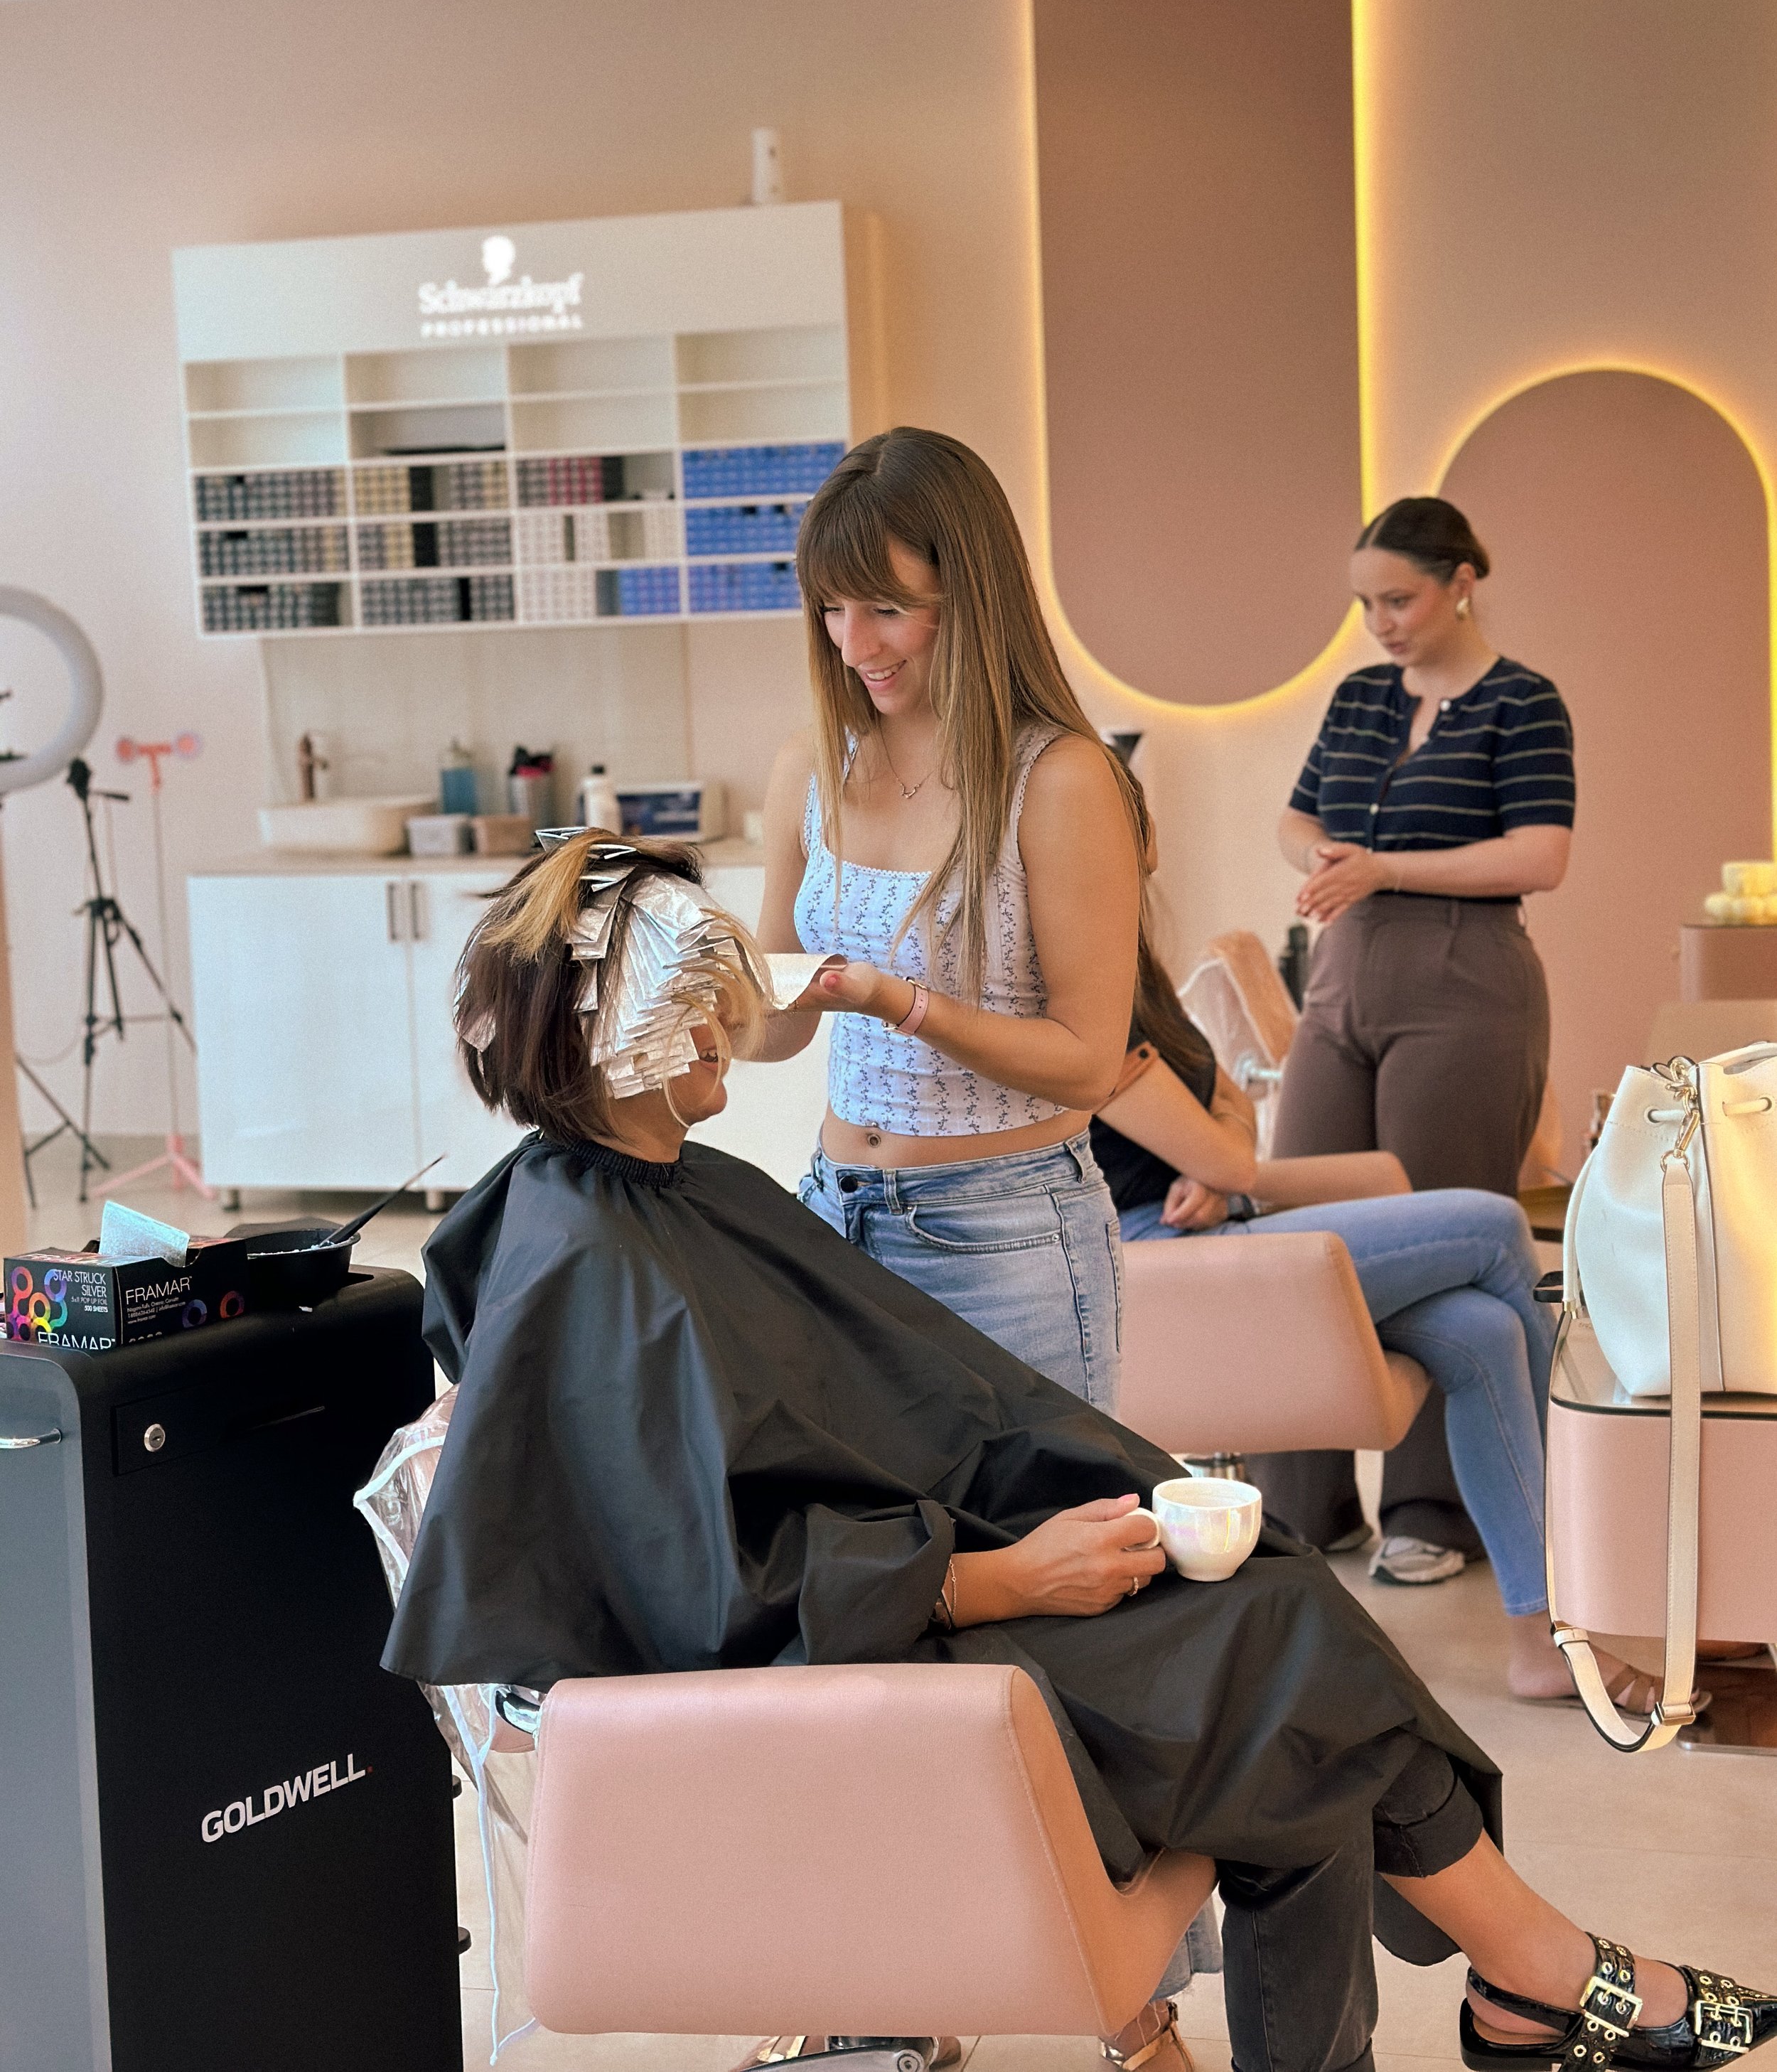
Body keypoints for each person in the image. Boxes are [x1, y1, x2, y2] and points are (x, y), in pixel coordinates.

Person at [382, 834, 1773, 2072]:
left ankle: (1533, 1980)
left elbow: (879, 1416)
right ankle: (1539, 1977)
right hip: (848, 1656)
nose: (723, 1044)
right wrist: (1001, 1577)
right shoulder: (592, 1266)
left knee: (1275, 1620)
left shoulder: (662, 1195)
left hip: (906, 1590)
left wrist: (1077, 1502)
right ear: (620, 1030)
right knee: (1281, 1663)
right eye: (700, 1017)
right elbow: (707, 1586)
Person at [1090, 926, 1660, 1709]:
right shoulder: (1078, 987)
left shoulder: (1137, 978)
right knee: (1493, 1226)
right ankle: (1593, 1568)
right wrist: (1224, 1166)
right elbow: (1224, 1150)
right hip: (1165, 1257)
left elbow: (1235, 1117)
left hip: (1215, 1225)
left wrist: (1227, 1168)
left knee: (1484, 1332)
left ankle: (1541, 1640)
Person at [746, 427, 1145, 1413]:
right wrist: (661, 989)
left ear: (969, 593)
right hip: (835, 1217)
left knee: (1045, 1547)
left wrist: (903, 1004)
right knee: (879, 1557)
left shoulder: (1058, 782)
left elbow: (1092, 1060)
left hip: (1006, 1231)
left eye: (887, 608)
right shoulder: (812, 765)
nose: (853, 644)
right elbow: (778, 1022)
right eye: (832, 608)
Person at [1262, 496, 1575, 1588]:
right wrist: (1327, 852)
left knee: (1437, 1239)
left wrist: (1388, 867)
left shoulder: (1523, 701)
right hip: (1345, 973)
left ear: (1460, 581)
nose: (1381, 622)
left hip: (1466, 982)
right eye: (1366, 603)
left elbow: (1541, 854)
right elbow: (1296, 816)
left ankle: (1432, 1509)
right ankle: (1297, 1504)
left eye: (1397, 598)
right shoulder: (1357, 700)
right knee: (1295, 1224)